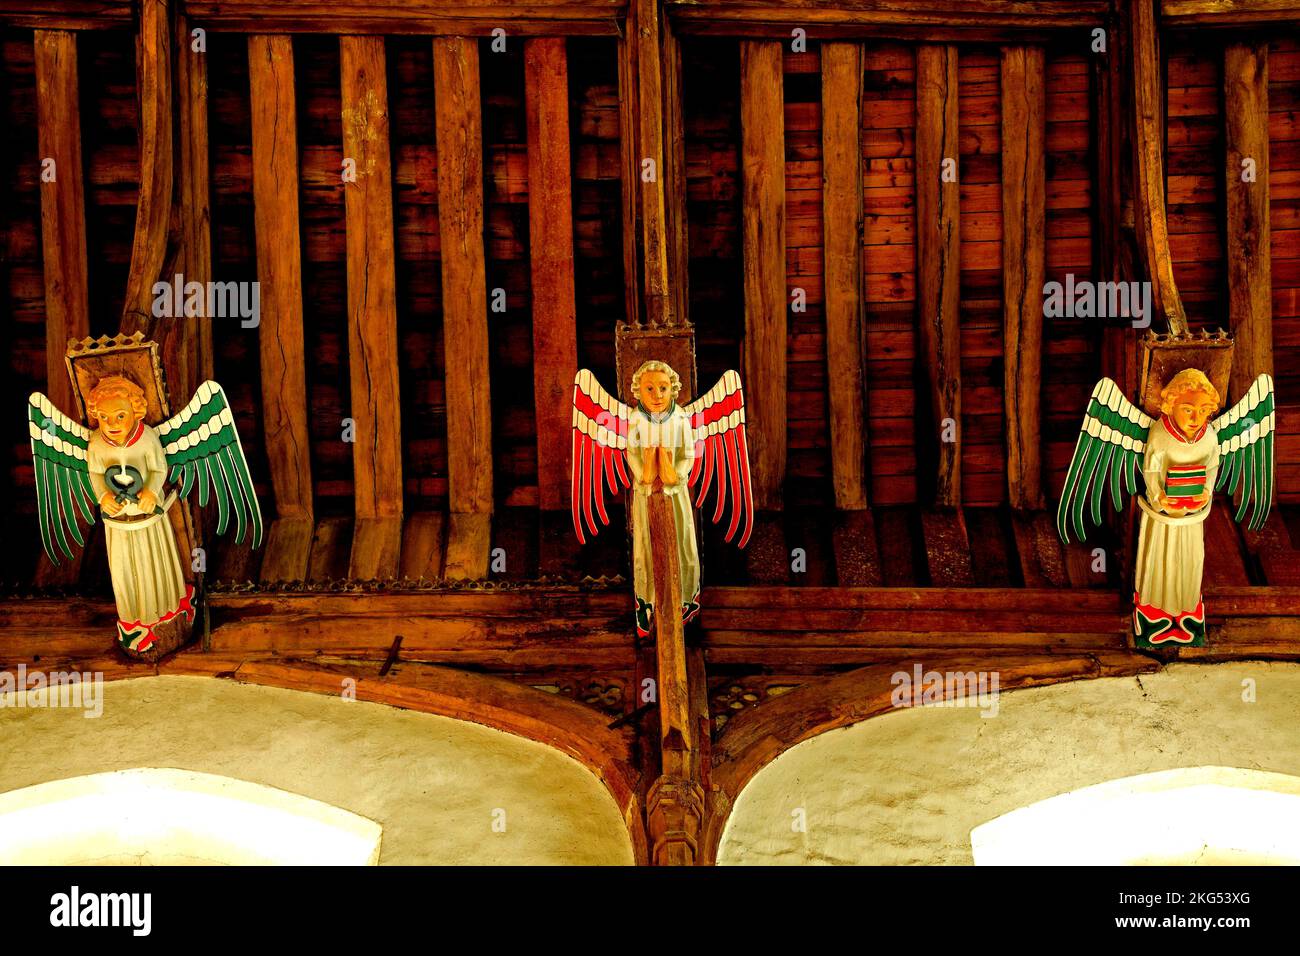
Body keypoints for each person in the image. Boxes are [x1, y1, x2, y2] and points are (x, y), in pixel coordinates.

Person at [85, 376, 194, 654]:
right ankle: (132, 621)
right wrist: (103, 496)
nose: (112, 424)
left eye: (120, 415)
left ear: (135, 412)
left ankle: (166, 611)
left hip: (147, 518)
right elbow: (96, 473)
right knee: (123, 568)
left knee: (154, 562)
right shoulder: (96, 443)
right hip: (118, 519)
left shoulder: (147, 439)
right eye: (105, 417)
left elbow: (159, 470)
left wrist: (152, 492)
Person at [1134, 368, 1221, 645]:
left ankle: (1186, 610)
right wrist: (1158, 495)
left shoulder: (1209, 437)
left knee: (1190, 559)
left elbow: (1212, 466)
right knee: (1159, 558)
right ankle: (1153, 611)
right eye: (1188, 409)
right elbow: (1150, 468)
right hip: (1163, 514)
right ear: (1171, 405)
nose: (1196, 418)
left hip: (1192, 515)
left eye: (1204, 410)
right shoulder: (1160, 434)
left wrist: (1206, 491)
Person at [625, 360, 701, 638]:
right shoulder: (635, 418)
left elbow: (689, 454)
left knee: (682, 541)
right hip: (646, 492)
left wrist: (676, 475)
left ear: (673, 390)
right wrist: (643, 472)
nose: (657, 395)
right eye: (649, 388)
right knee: (645, 544)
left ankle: (683, 601)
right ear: (638, 392)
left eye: (663, 388)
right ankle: (649, 601)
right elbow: (631, 451)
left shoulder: (680, 418)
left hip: (674, 492)